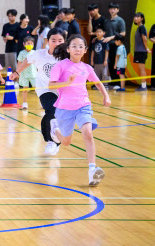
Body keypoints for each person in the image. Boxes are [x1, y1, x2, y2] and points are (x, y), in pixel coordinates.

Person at [48, 35, 111, 186]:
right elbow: (51, 86)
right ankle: (55, 130)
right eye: (74, 46)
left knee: (88, 133)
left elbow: (97, 83)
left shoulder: (87, 68)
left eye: (81, 46)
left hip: (83, 106)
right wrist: (66, 82)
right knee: (66, 142)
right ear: (68, 49)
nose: (77, 49)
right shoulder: (60, 66)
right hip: (64, 108)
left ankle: (92, 170)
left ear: (85, 50)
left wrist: (106, 96)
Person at [12, 28, 65, 156]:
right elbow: (27, 61)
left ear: (64, 41)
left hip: (63, 89)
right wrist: (17, 72)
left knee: (56, 116)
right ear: (47, 41)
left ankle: (54, 140)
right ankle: (52, 142)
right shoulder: (40, 54)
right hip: (45, 88)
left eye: (60, 40)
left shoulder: (68, 55)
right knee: (51, 110)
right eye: (53, 40)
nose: (56, 43)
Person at [106, 3, 126, 90]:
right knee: (110, 64)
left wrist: (111, 37)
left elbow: (123, 33)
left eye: (114, 9)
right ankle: (113, 82)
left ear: (118, 10)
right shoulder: (107, 21)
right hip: (108, 46)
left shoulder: (120, 20)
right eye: (110, 8)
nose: (112, 10)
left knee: (117, 64)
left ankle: (118, 82)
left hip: (116, 46)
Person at [16, 36, 37, 110]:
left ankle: (42, 102)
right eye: (28, 43)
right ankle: (24, 104)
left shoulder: (35, 53)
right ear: (24, 44)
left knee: (38, 89)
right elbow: (19, 63)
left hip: (34, 74)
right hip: (24, 74)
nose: (30, 44)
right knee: (25, 89)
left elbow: (37, 63)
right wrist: (18, 72)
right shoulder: (22, 53)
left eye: (31, 43)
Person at [132, 12, 151, 91]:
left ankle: (143, 87)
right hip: (139, 51)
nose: (135, 18)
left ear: (142, 19)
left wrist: (146, 48)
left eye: (138, 17)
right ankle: (143, 85)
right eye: (135, 17)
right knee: (140, 69)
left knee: (142, 69)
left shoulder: (142, 27)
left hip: (141, 51)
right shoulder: (139, 28)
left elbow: (145, 39)